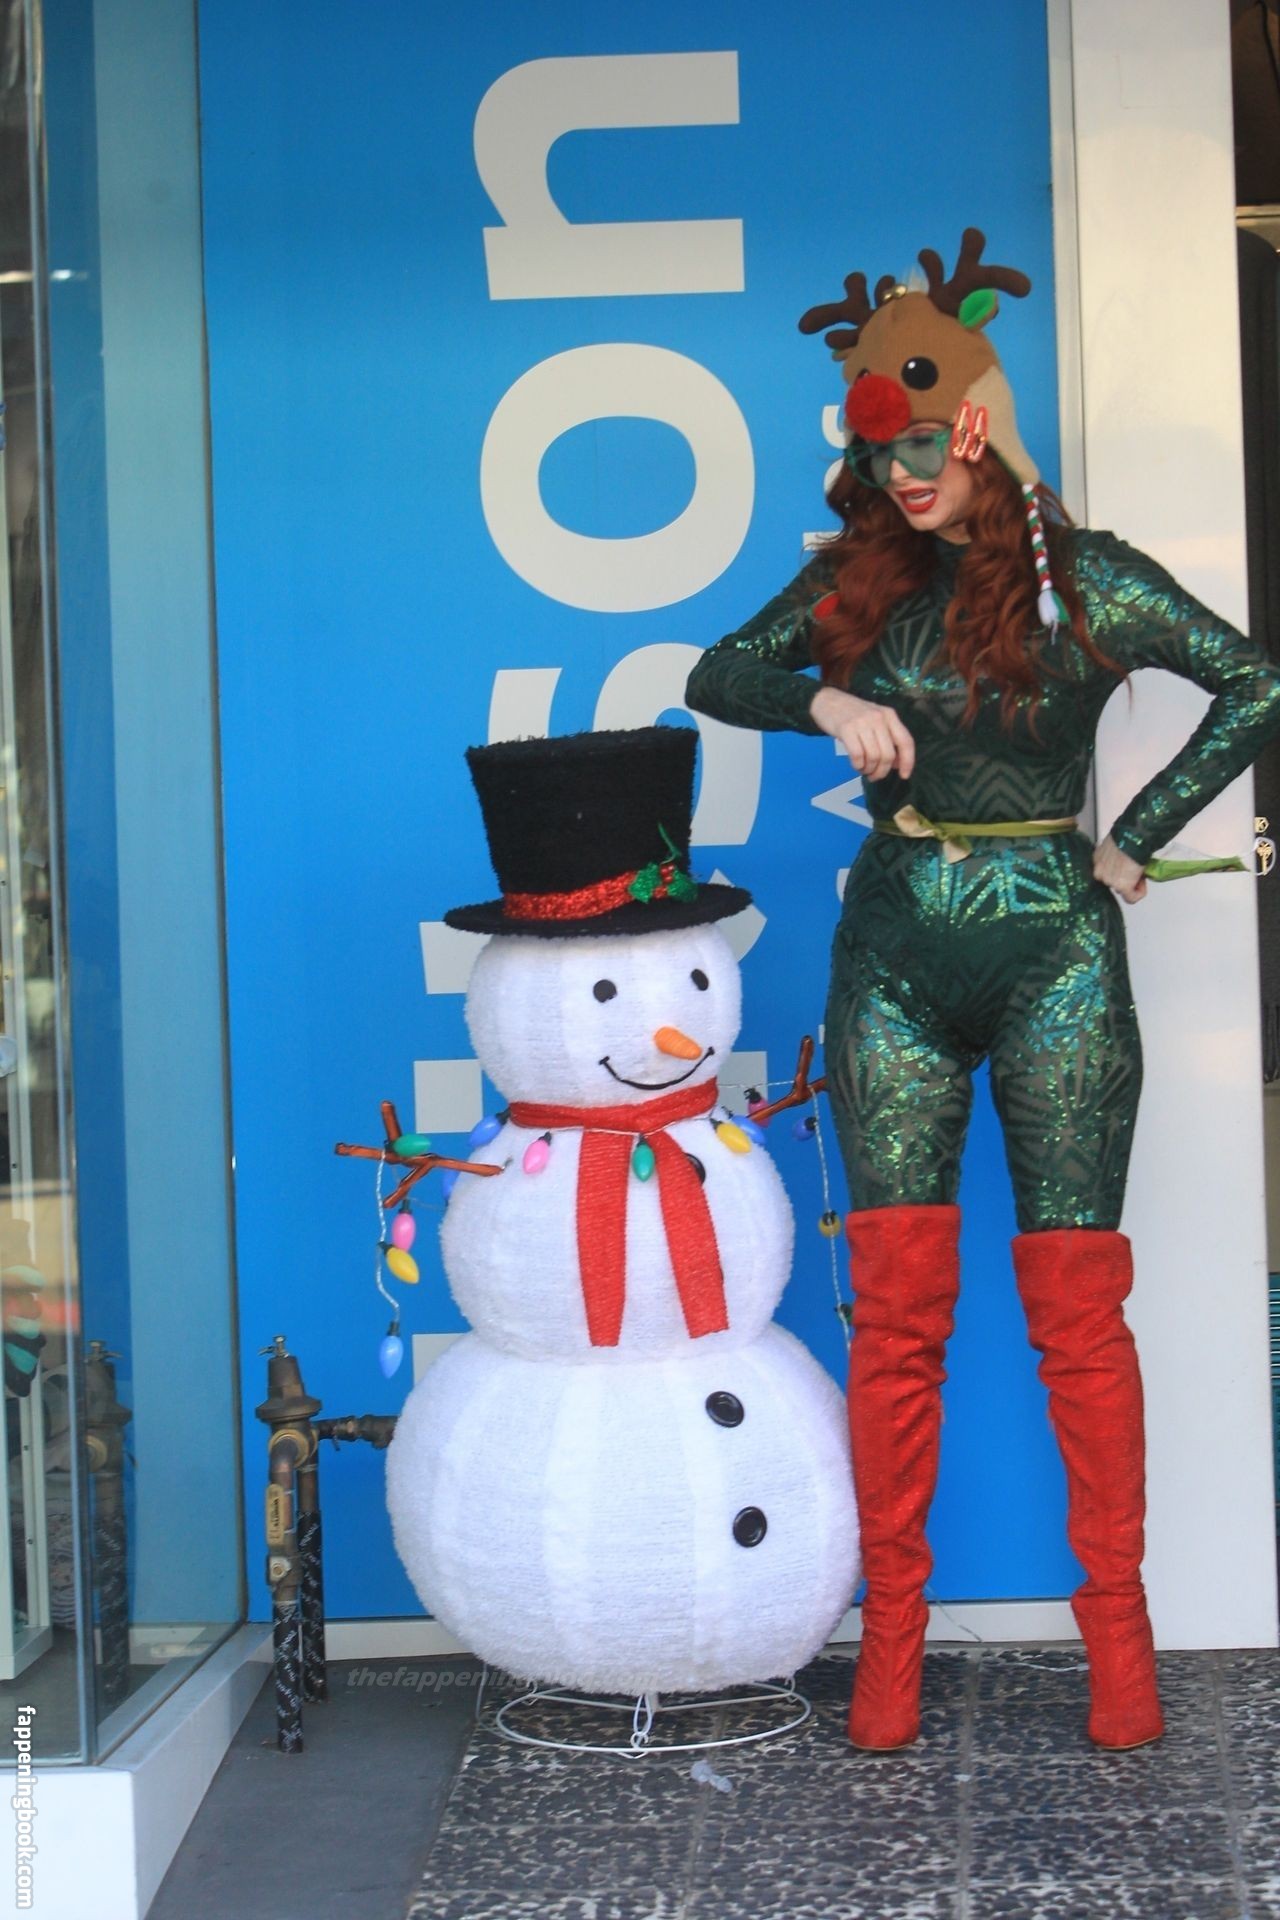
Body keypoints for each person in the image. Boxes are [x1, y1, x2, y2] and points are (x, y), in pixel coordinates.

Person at [684, 227, 1280, 1755]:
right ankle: (890, 1646)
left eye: (925, 444)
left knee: (1077, 1314)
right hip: (894, 957)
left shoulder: (1088, 586)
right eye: (878, 453)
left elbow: (1255, 680)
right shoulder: (855, 590)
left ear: (980, 428)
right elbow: (716, 676)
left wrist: (1138, 835)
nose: (901, 478)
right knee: (897, 1317)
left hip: (1056, 957)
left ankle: (1120, 1649)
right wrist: (823, 695)